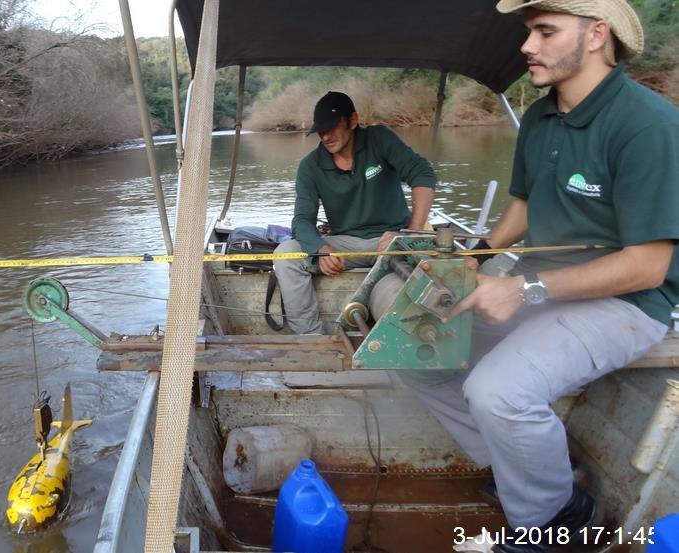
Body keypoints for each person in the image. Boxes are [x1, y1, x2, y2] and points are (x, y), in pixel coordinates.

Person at [403, 1, 679, 551]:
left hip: (626, 304)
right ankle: (522, 467)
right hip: (541, 287)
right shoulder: (539, 115)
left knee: (498, 391)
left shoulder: (649, 125)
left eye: (544, 31)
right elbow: (525, 206)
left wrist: (525, 288)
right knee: (411, 350)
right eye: (529, 32)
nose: (527, 46)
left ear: (597, 35)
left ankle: (555, 520)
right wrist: (474, 259)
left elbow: (649, 265)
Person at [273, 91, 437, 334]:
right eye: (321, 131)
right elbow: (302, 220)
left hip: (392, 241)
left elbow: (422, 174)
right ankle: (311, 338)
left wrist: (408, 233)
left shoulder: (379, 139)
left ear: (352, 120)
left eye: (332, 127)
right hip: (345, 246)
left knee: (436, 265)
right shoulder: (311, 165)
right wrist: (320, 249)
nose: (326, 136)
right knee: (285, 254)